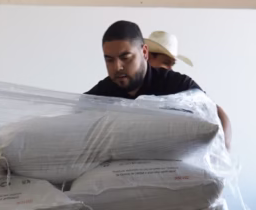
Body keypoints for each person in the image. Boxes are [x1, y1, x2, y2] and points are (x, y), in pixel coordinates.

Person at [85, 21, 232, 147]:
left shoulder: (177, 85)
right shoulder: (99, 95)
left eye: (126, 57)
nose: (117, 67)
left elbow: (215, 113)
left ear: (144, 52)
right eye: (109, 60)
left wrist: (222, 150)